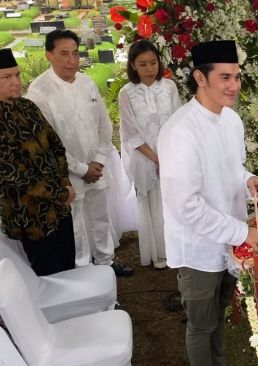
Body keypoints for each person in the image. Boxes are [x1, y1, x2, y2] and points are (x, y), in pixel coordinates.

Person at [157, 40, 258, 366]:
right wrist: (242, 233)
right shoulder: (181, 130)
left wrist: (247, 178)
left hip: (230, 242)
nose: (234, 85)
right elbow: (186, 205)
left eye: (236, 77)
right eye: (225, 77)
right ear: (200, 77)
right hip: (199, 249)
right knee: (201, 325)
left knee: (219, 314)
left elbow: (231, 168)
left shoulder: (231, 120)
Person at [25, 30, 133, 276]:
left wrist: (99, 160)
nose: (72, 60)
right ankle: (83, 269)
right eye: (64, 54)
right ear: (48, 55)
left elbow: (104, 125)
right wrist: (82, 169)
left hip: (97, 167)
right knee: (76, 225)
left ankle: (106, 262)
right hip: (67, 174)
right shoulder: (39, 91)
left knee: (101, 217)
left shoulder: (86, 82)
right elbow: (48, 141)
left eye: (75, 53)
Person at [0, 48, 76, 276]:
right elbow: (15, 175)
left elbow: (56, 145)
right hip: (29, 218)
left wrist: (64, 184)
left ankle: (79, 310)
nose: (15, 82)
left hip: (59, 208)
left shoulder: (28, 107)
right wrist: (60, 193)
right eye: (7, 77)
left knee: (68, 267)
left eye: (17, 74)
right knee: (47, 277)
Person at [119, 40, 182, 269]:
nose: (149, 69)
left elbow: (177, 122)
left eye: (153, 62)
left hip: (171, 155)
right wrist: (155, 158)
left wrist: (169, 156)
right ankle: (158, 253)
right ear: (133, 66)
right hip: (145, 157)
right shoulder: (127, 93)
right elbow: (130, 133)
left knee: (173, 202)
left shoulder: (169, 87)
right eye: (143, 64)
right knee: (152, 203)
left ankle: (177, 249)